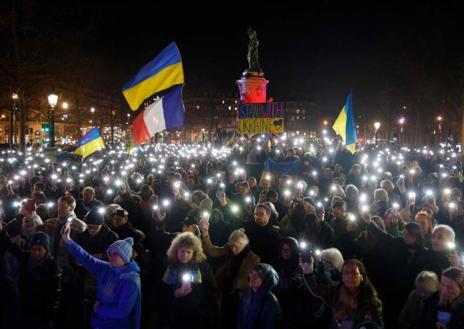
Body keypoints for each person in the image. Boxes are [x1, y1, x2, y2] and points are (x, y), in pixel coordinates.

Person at [61, 222, 142, 329]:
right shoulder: (107, 268)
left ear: (125, 257)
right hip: (99, 323)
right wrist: (68, 240)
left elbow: (122, 311)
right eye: (110, 253)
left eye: (116, 254)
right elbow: (87, 259)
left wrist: (99, 309)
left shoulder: (130, 281)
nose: (111, 256)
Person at [0, 225, 61, 329]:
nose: (36, 252)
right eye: (33, 249)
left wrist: (48, 319)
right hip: (24, 311)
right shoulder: (26, 258)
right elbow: (12, 246)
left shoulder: (52, 267)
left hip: (41, 317)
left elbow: (54, 296)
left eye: (39, 249)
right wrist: (1, 231)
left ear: (46, 250)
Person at [199, 225, 260, 329]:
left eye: (236, 246)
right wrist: (205, 234)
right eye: (231, 245)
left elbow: (253, 281)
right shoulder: (229, 249)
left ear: (244, 245)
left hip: (240, 295)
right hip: (225, 289)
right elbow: (212, 250)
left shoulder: (253, 259)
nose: (233, 248)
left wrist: (238, 284)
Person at [159, 232, 218, 329]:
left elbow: (212, 291)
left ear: (194, 252)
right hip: (174, 318)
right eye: (182, 251)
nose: (185, 255)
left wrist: (204, 310)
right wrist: (175, 294)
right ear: (176, 251)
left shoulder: (203, 268)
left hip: (197, 318)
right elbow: (160, 292)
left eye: (188, 252)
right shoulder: (168, 267)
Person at [330, 259, 383, 328]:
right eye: (346, 272)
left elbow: (377, 325)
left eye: (353, 272)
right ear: (342, 277)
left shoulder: (372, 302)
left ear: (361, 277)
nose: (350, 276)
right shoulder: (336, 296)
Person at [237, 263, 281, 329]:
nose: (252, 277)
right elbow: (240, 318)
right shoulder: (247, 294)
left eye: (258, 275)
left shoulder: (271, 303)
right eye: (252, 273)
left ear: (266, 281)